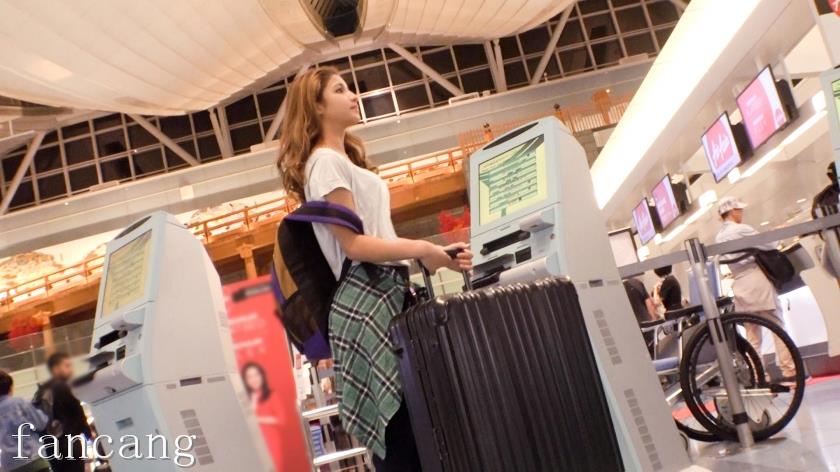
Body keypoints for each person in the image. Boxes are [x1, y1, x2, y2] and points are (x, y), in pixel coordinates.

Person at [276, 67, 473, 471]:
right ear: (316, 106)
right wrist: (423, 248)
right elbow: (355, 245)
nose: (354, 96)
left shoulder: (339, 161)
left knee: (412, 432)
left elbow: (373, 237)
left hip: (379, 298)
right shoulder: (325, 162)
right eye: (340, 90)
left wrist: (432, 254)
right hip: (368, 303)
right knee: (403, 436)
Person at [715, 197, 796, 381]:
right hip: (756, 280)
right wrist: (777, 233)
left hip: (739, 284)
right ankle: (790, 370)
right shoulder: (741, 229)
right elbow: (769, 245)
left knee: (752, 335)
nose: (741, 213)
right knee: (777, 326)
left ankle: (759, 376)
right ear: (733, 211)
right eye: (739, 210)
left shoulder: (718, 237)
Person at [32, 353, 91, 472]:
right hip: (69, 443)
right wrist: (88, 433)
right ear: (55, 368)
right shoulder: (62, 387)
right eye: (67, 366)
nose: (71, 369)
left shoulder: (40, 392)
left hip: (51, 447)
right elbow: (77, 412)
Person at [0, 369, 53, 472]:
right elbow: (41, 423)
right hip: (33, 459)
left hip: (10, 466)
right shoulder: (19, 402)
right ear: (10, 387)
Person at [241, 362, 284, 468]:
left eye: (256, 375)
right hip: (252, 445)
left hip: (271, 444)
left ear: (262, 376)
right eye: (250, 377)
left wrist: (257, 420)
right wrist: (253, 403)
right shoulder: (244, 398)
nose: (254, 379)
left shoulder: (271, 395)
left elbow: (281, 419)